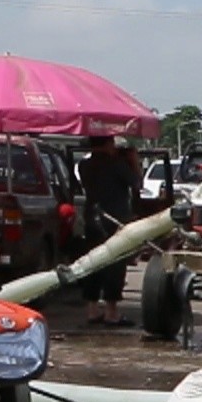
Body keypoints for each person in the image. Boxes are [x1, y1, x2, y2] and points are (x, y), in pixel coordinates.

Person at [77, 135, 141, 325]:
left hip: (92, 219)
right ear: (108, 144)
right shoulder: (117, 165)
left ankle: (92, 309)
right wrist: (132, 162)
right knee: (115, 264)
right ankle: (111, 312)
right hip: (114, 220)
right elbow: (137, 183)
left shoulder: (84, 165)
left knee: (92, 263)